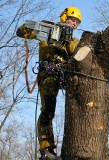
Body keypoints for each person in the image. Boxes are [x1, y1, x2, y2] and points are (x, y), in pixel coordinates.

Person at [16, 6, 82, 160]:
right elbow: (22, 31)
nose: (75, 24)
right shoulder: (48, 31)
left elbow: (79, 54)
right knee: (48, 110)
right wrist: (45, 30)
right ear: (64, 17)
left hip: (66, 76)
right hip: (49, 73)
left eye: (77, 22)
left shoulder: (73, 40)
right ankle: (46, 150)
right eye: (73, 20)